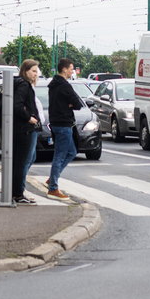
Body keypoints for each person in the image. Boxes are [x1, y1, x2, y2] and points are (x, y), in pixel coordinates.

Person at [46, 58, 84, 200]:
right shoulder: (65, 86)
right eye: (71, 68)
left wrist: (69, 104)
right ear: (64, 69)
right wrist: (69, 105)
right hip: (63, 123)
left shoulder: (52, 84)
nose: (72, 71)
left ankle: (52, 178)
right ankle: (53, 188)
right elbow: (78, 104)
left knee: (72, 151)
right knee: (60, 155)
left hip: (56, 122)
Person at [12, 59, 41, 205]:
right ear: (25, 71)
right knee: (23, 162)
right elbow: (17, 106)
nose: (36, 74)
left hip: (25, 129)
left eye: (37, 71)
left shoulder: (24, 84)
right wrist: (29, 118)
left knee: (28, 158)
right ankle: (18, 192)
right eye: (33, 71)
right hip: (25, 129)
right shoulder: (24, 85)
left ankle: (17, 189)